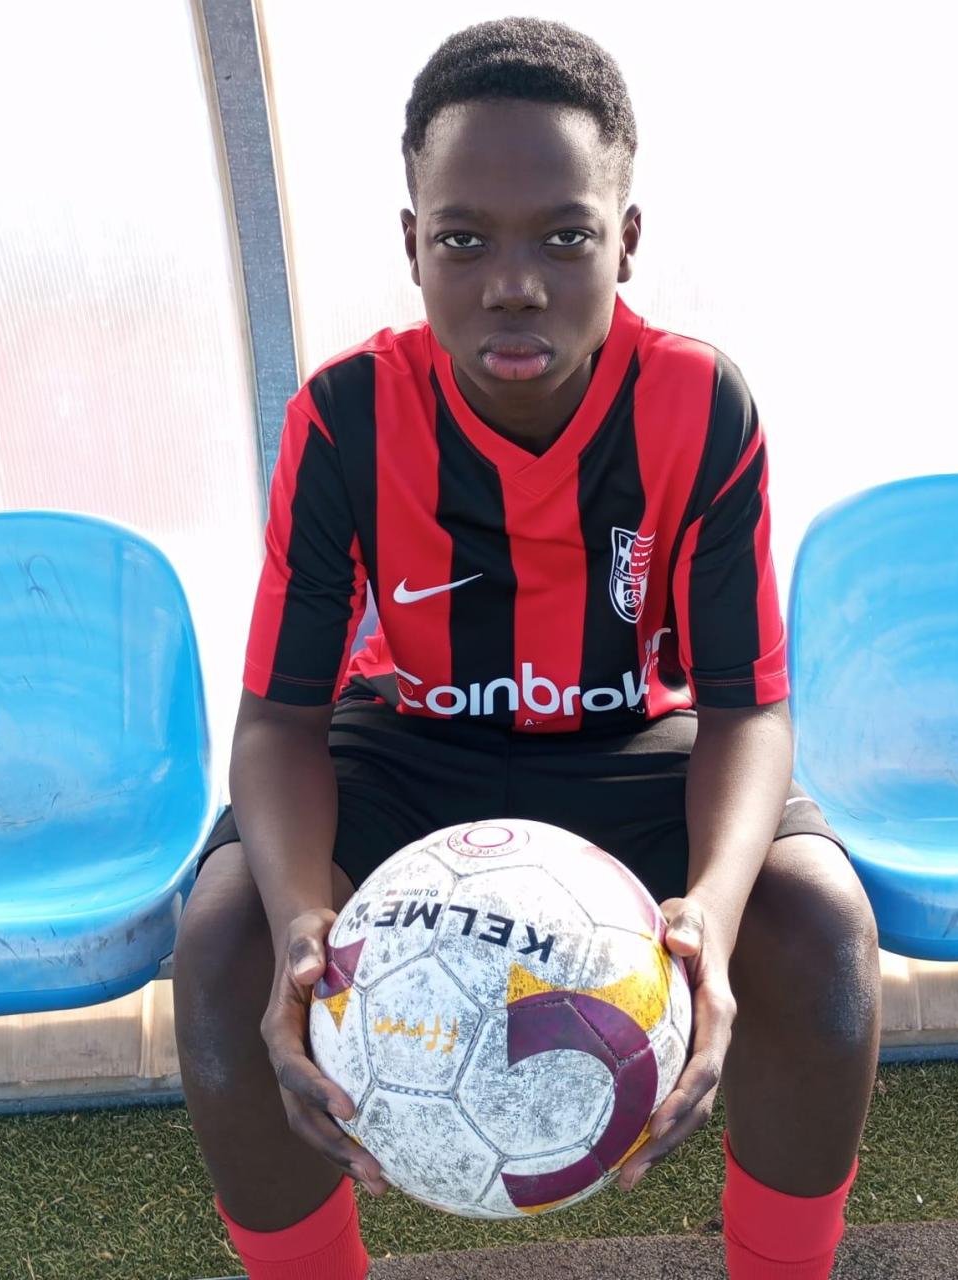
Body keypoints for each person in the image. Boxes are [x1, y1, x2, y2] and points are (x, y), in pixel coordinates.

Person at [173, 18, 880, 1280]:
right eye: (463, 239)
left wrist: (708, 923)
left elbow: (745, 709)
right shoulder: (342, 419)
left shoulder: (699, 404)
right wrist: (296, 922)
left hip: (623, 743)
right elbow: (279, 719)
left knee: (818, 936)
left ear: (626, 239)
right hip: (408, 746)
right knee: (224, 950)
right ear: (411, 247)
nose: (514, 281)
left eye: (564, 235)